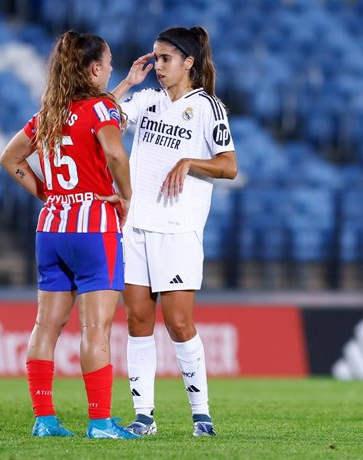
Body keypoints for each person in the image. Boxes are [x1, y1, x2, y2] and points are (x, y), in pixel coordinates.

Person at [0, 30, 138, 440]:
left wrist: (48, 193)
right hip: (94, 225)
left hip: (52, 226)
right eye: (109, 63)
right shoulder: (100, 111)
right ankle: (100, 423)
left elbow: (11, 158)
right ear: (94, 69)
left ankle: (44, 419)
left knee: (45, 326)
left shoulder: (50, 114)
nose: (112, 68)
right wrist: (126, 197)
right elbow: (114, 152)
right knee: (96, 330)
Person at [111, 26, 238, 437]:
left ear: (188, 63)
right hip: (135, 227)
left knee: (180, 324)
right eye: (154, 58)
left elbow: (229, 165)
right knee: (136, 322)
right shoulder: (145, 100)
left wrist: (188, 162)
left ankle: (202, 415)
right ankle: (143, 417)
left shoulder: (207, 107)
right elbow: (99, 121)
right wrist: (126, 83)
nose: (158, 66)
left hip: (178, 230)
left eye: (166, 58)